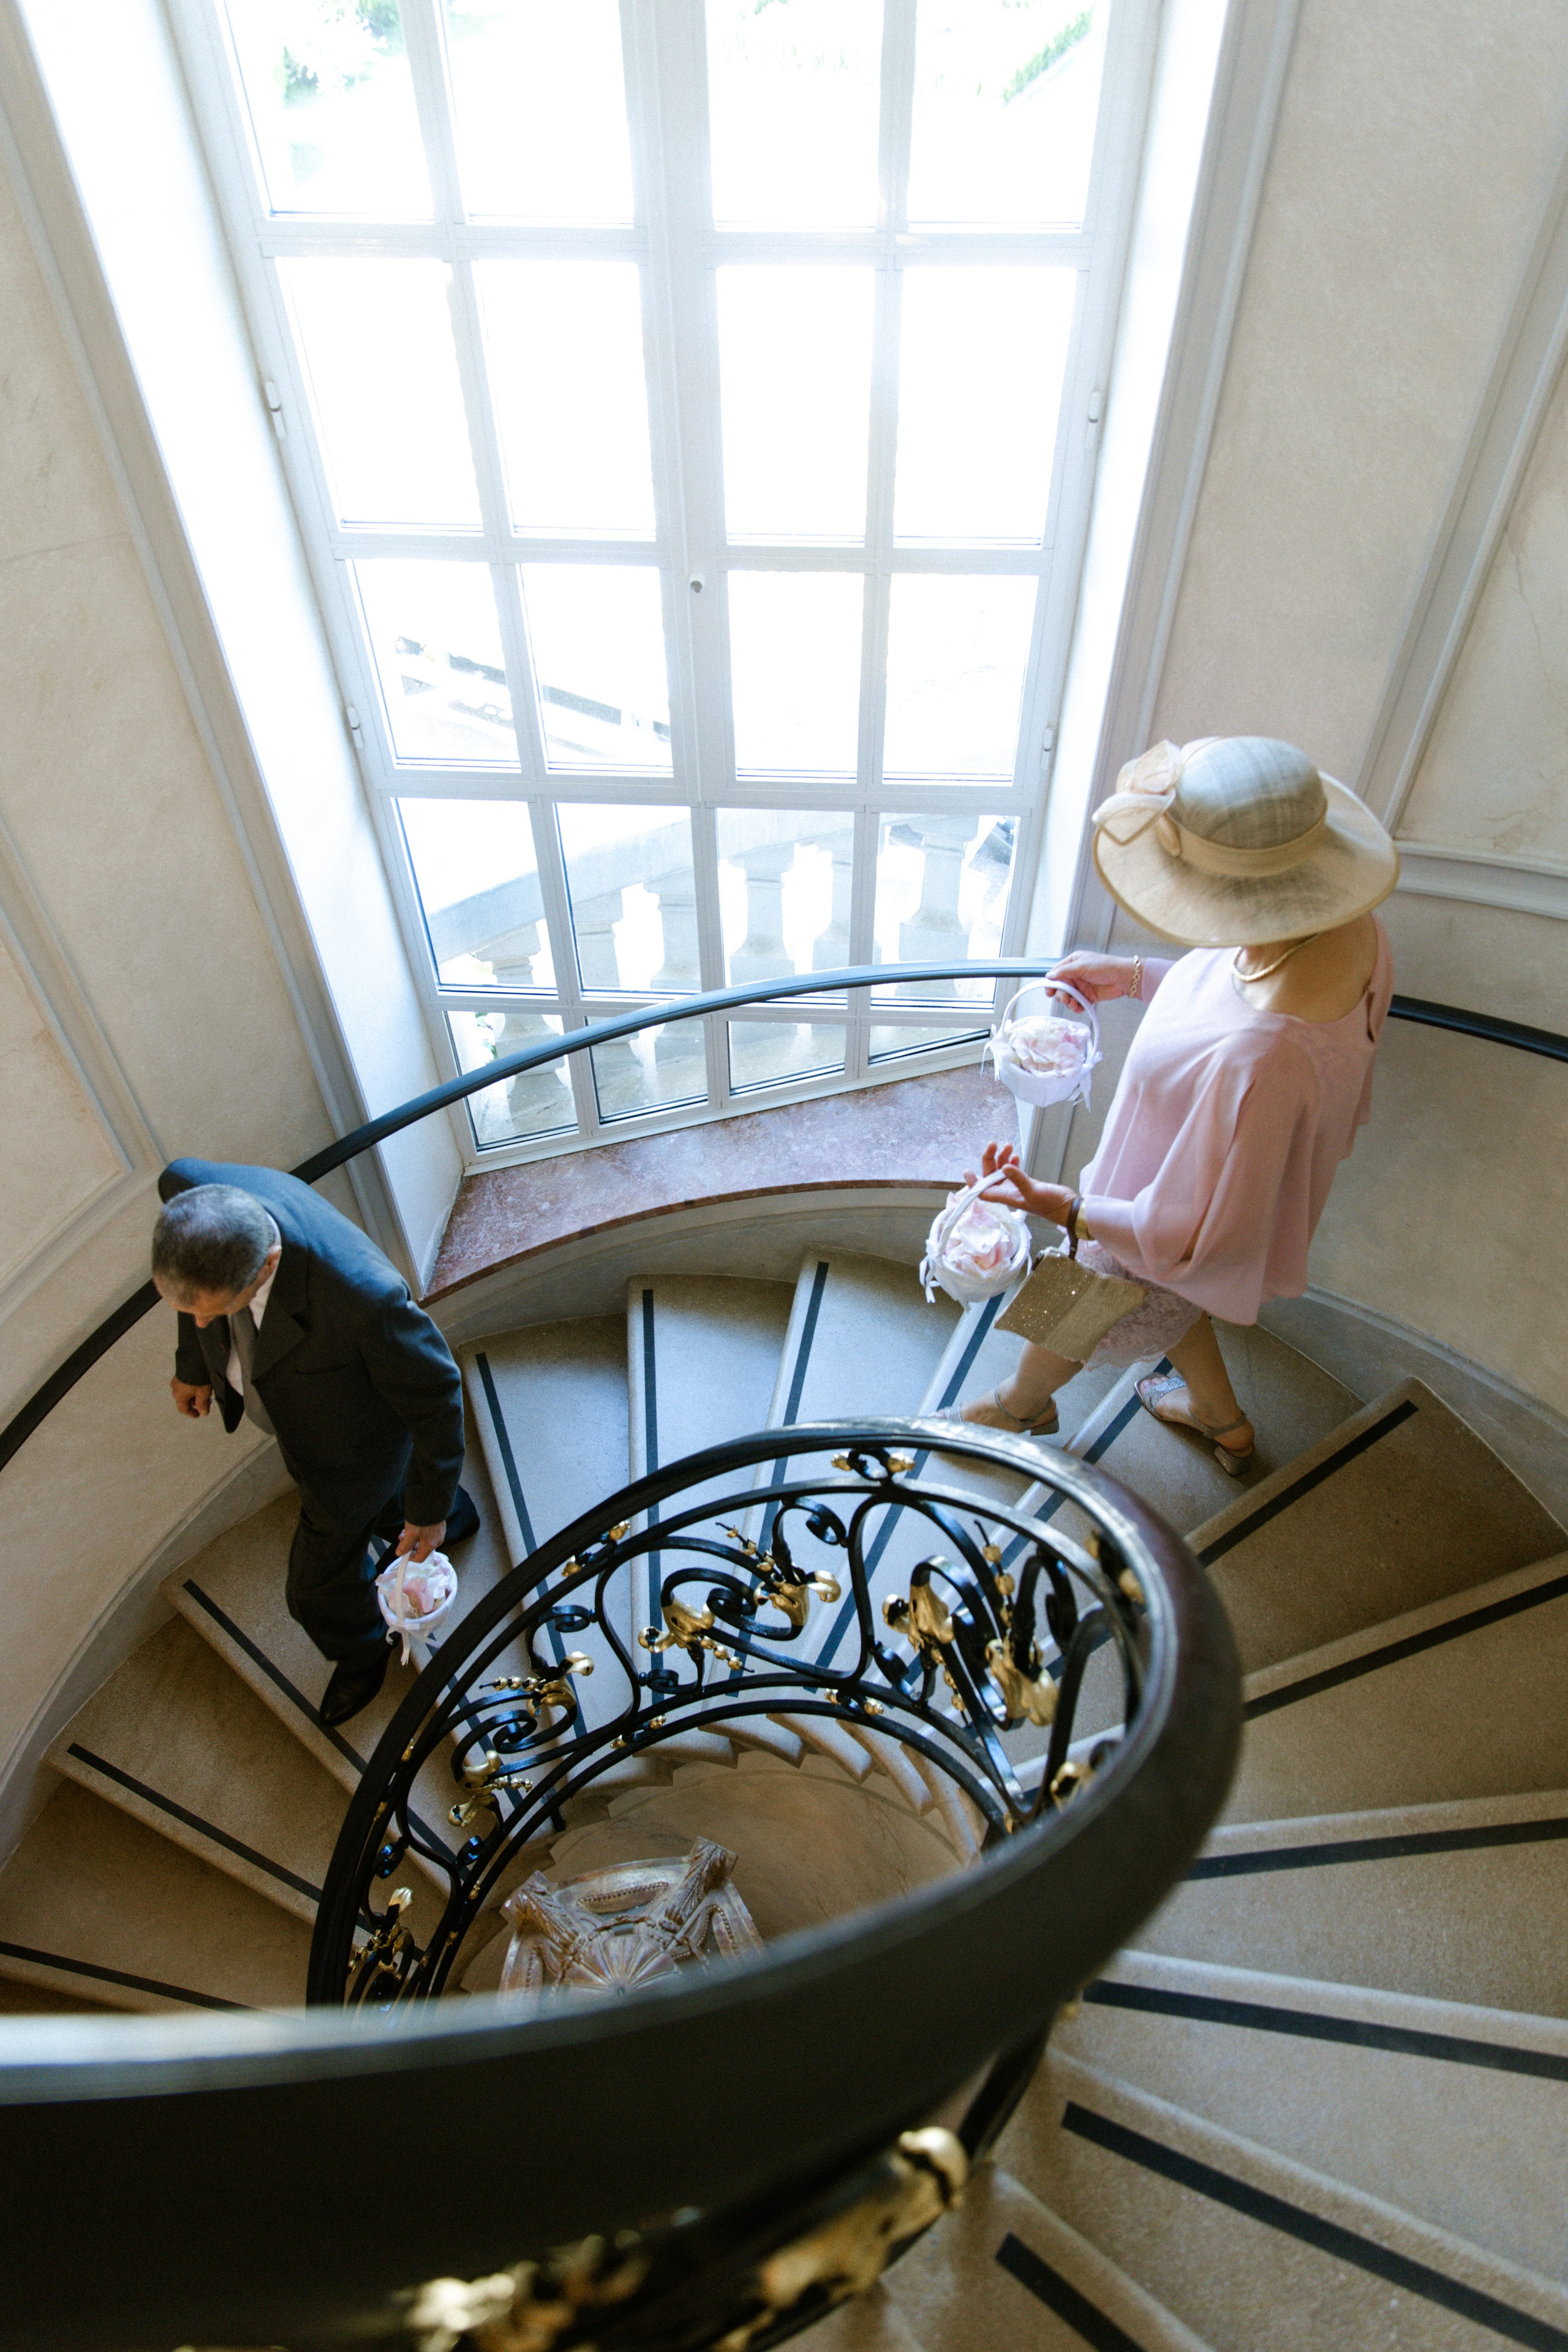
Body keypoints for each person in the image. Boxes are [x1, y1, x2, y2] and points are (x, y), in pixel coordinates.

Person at [951, 734, 1398, 1472]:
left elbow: (1185, 1238)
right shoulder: (1347, 924)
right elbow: (1233, 996)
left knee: (1080, 1300)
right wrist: (1134, 977)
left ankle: (1018, 1405)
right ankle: (1224, 1423)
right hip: (1194, 1187)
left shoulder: (1263, 1056)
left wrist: (1062, 1207)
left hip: (1151, 1211)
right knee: (1173, 1299)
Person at [151, 1158, 479, 1724]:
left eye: (212, 1312)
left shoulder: (361, 1300)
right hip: (312, 1413)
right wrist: (193, 1364)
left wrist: (427, 1514)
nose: (200, 1325)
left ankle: (363, 1648)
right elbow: (196, 1286)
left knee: (312, 1590)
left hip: (351, 1453)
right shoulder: (187, 1189)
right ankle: (447, 1509)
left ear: (269, 1264)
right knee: (394, 1500)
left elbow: (436, 1396)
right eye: (188, 1312)